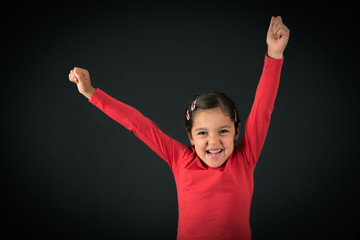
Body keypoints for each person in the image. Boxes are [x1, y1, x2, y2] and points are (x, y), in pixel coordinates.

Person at [68, 16, 290, 240]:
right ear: (190, 137)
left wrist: (274, 53)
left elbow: (263, 110)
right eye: (202, 133)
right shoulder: (180, 159)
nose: (213, 142)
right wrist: (91, 93)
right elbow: (136, 123)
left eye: (223, 131)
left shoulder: (245, 158)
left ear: (236, 131)